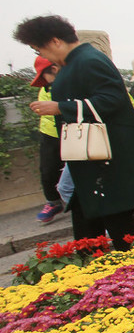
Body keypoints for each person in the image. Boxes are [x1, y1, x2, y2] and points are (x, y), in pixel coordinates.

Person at [19, 15, 134, 250]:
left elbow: (113, 99)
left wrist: (61, 107)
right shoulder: (78, 62)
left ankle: (132, 269)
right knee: (91, 217)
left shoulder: (88, 60)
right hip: (94, 158)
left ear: (56, 41)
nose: (42, 57)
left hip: (107, 157)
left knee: (116, 220)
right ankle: (97, 264)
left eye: (40, 49)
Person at [30, 58, 65, 223]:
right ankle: (53, 202)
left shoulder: (72, 80)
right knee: (48, 170)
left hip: (72, 131)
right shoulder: (46, 87)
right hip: (50, 133)